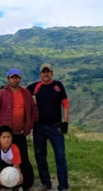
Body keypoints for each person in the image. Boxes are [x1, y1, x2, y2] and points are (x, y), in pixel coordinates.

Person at [0, 69, 37, 191]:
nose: (15, 80)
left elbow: (33, 109)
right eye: (12, 77)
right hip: (5, 134)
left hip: (19, 133)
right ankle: (3, 182)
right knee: (2, 160)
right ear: (8, 79)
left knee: (23, 159)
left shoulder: (26, 93)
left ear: (20, 79)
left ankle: (26, 184)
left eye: (17, 77)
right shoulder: (2, 94)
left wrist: (29, 126)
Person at [27, 63, 69, 191]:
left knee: (60, 156)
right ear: (40, 74)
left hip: (56, 127)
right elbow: (20, 92)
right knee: (40, 155)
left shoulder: (58, 85)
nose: (45, 74)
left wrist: (65, 122)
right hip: (39, 127)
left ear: (52, 73)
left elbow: (65, 104)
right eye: (43, 72)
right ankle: (46, 183)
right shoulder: (35, 87)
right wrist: (4, 89)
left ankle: (63, 186)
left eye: (48, 71)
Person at [0, 126, 23, 191]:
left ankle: (15, 189)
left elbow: (17, 167)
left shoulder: (15, 149)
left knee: (20, 177)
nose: (6, 139)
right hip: (0, 169)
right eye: (4, 137)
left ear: (11, 138)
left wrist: (17, 175)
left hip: (12, 169)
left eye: (8, 137)